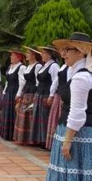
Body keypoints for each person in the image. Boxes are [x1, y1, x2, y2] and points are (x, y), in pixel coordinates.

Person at [47, 32, 92, 180]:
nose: (63, 54)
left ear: (79, 52)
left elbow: (77, 112)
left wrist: (67, 141)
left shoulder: (82, 77)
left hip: (78, 134)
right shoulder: (76, 72)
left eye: (68, 50)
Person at [30, 45, 59, 148]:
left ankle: (45, 141)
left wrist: (51, 95)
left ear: (50, 54)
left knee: (45, 117)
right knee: (39, 117)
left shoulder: (54, 66)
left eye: (44, 53)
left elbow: (55, 81)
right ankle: (39, 139)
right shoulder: (45, 65)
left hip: (46, 94)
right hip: (40, 93)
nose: (42, 55)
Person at [14, 46, 42, 144]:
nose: (26, 54)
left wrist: (35, 96)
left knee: (29, 114)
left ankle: (30, 139)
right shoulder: (28, 66)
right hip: (26, 93)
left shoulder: (37, 66)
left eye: (28, 53)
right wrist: (20, 94)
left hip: (32, 93)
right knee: (23, 114)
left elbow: (38, 82)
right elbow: (24, 82)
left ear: (34, 55)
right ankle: (23, 138)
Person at [0, 49, 25, 141]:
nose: (11, 57)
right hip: (8, 92)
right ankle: (6, 133)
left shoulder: (21, 67)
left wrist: (18, 94)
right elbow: (7, 81)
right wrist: (4, 92)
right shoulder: (10, 67)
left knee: (13, 113)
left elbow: (22, 82)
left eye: (13, 55)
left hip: (14, 92)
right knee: (7, 112)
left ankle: (12, 135)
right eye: (11, 55)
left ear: (19, 57)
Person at [46, 52, 69, 150]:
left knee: (61, 118)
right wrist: (51, 94)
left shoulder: (70, 67)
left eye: (66, 51)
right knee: (55, 119)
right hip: (58, 94)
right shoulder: (63, 66)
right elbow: (56, 81)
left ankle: (60, 144)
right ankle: (53, 144)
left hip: (64, 95)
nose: (63, 53)